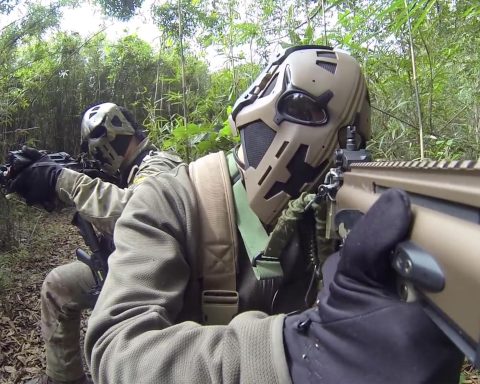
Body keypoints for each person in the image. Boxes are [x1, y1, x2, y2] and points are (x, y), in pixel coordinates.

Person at [84, 46, 464, 382]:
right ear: (259, 99)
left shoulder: (325, 218)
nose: (312, 144)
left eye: (346, 135)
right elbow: (117, 350)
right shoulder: (169, 199)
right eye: (303, 108)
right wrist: (290, 353)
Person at [7, 102, 182, 384]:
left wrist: (61, 179)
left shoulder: (160, 163)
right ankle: (64, 378)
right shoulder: (123, 173)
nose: (97, 152)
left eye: (97, 143)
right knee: (58, 285)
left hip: (164, 276)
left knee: (114, 344)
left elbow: (133, 211)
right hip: (130, 265)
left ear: (114, 133)